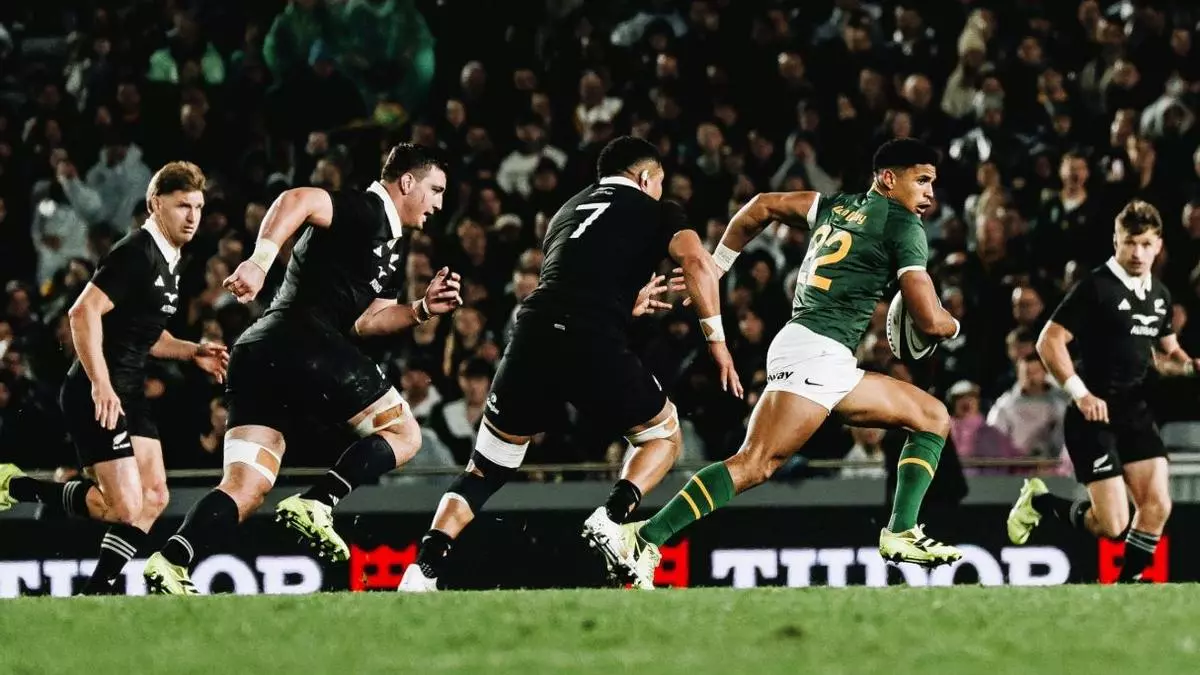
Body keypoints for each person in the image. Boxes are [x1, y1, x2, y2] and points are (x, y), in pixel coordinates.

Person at [617, 138, 966, 586]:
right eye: (921, 180)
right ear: (887, 179)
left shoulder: (835, 206)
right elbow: (930, 321)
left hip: (820, 354)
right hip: (816, 354)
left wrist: (718, 267)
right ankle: (645, 538)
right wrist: (953, 325)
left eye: (932, 183)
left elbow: (761, 206)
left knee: (932, 416)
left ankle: (901, 531)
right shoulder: (903, 225)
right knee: (754, 463)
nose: (930, 193)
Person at [397, 136, 736, 591]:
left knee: (484, 469)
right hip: (591, 336)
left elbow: (576, 276)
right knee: (663, 435)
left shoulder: (567, 210)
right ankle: (613, 517)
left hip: (533, 331)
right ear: (645, 178)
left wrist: (624, 302)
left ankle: (422, 570)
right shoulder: (658, 208)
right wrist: (717, 341)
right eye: (658, 184)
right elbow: (696, 262)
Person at [140, 144, 461, 594]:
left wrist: (422, 309)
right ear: (407, 182)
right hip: (305, 343)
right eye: (436, 190)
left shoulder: (390, 242)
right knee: (405, 433)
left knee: (247, 486)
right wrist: (259, 261)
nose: (439, 204)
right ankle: (320, 501)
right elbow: (298, 199)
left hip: (261, 353)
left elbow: (369, 320)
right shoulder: (368, 209)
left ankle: (171, 560)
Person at [0, 162, 228, 594]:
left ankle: (97, 592)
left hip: (128, 391)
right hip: (96, 390)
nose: (193, 216)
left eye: (198, 207)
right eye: (183, 205)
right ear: (155, 204)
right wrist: (101, 384)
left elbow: (146, 333)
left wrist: (192, 351)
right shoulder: (136, 252)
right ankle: (17, 485)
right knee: (124, 508)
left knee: (154, 497)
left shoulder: (170, 259)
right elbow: (81, 312)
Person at [1008, 200, 1198, 582]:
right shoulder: (1096, 287)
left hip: (1135, 411)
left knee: (1157, 505)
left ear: (1159, 246)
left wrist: (1188, 362)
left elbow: (1166, 348)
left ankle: (1126, 586)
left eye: (1145, 244)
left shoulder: (1160, 294)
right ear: (1116, 242)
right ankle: (1040, 501)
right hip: (1093, 414)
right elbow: (1048, 342)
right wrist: (1081, 394)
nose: (1137, 252)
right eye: (1130, 243)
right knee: (1112, 524)